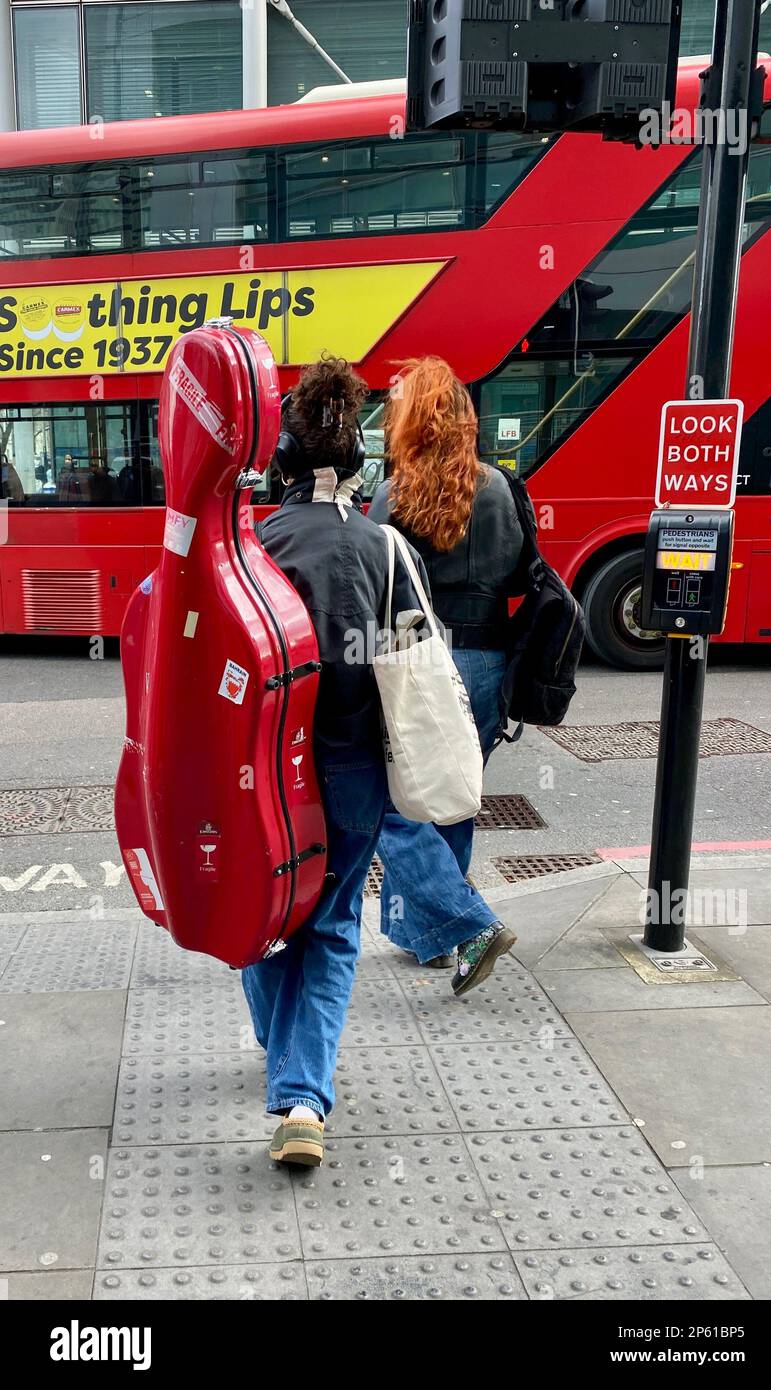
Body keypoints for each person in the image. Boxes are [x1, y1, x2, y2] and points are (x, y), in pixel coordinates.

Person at [241, 355, 427, 1169]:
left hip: (261, 774)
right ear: (362, 466)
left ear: (280, 464)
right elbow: (416, 670)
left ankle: (281, 1054)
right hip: (353, 769)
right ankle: (303, 1097)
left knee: (263, 917)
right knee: (333, 923)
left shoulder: (251, 546)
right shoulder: (386, 550)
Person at [369, 357, 527, 996]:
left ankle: (467, 924)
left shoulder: (393, 493)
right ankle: (426, 938)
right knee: (455, 794)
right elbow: (520, 576)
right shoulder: (500, 487)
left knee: (392, 804)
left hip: (417, 659)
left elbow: (376, 586)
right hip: (486, 657)